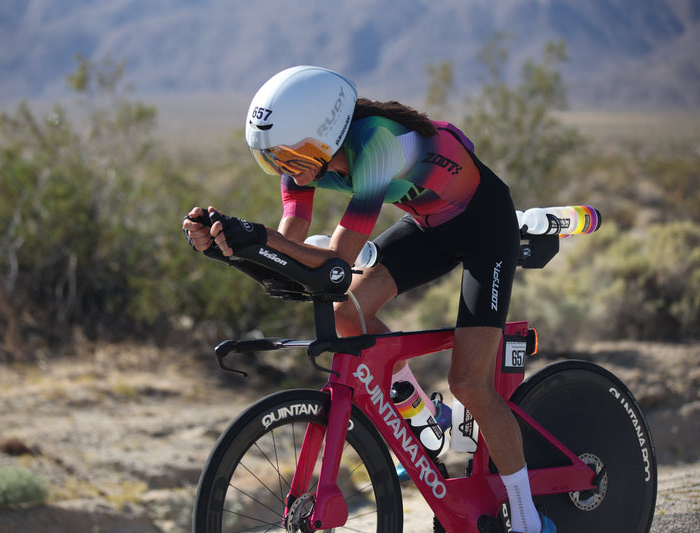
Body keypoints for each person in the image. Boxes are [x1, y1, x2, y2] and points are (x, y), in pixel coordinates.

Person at [182, 65, 555, 533]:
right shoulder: (305, 160)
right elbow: (290, 241)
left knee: (469, 383)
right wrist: (229, 243)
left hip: (485, 227)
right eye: (273, 159)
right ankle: (425, 417)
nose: (285, 169)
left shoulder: (376, 145)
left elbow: (335, 260)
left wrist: (256, 237)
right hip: (427, 225)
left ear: (324, 136)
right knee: (348, 312)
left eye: (290, 156)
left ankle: (527, 519)